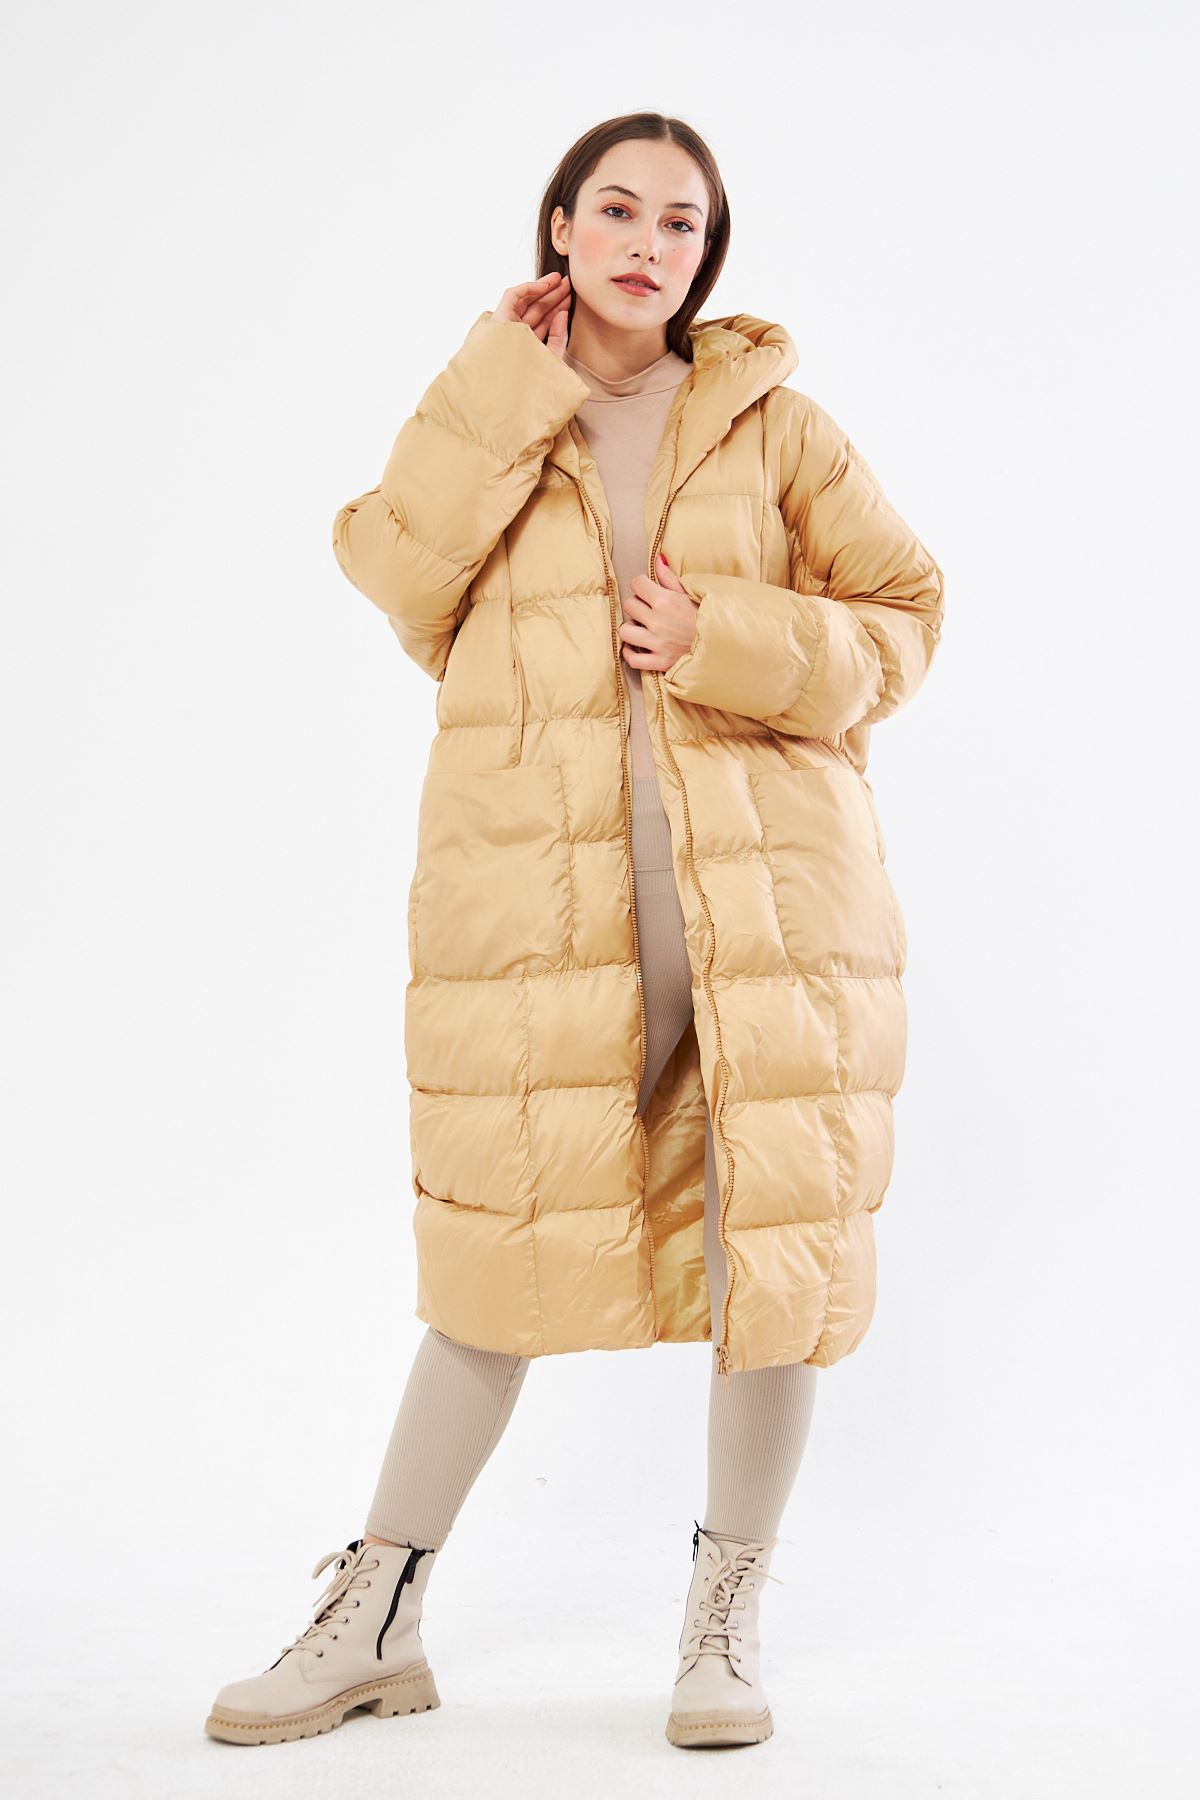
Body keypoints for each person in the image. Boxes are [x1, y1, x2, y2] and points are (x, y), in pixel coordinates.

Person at [205, 110, 944, 1753]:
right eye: (618, 209)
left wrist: (726, 633)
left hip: (770, 900)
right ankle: (375, 1620)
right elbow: (394, 572)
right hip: (543, 904)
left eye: (682, 223)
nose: (648, 243)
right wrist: (499, 380)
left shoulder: (777, 425)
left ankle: (723, 1627)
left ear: (706, 253)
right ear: (559, 225)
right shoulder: (500, 407)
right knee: (496, 1257)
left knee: (772, 1249)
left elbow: (907, 619)